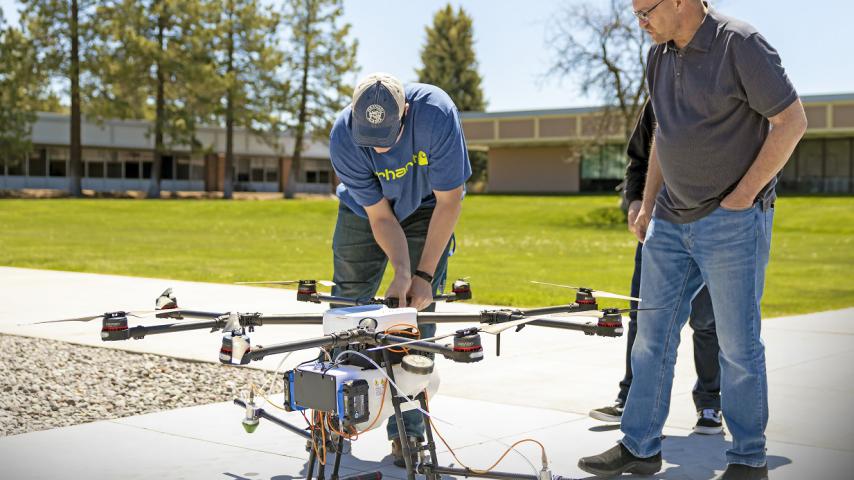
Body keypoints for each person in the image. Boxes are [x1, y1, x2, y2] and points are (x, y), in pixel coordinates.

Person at [578, 1, 806, 479]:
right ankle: (640, 447)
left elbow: (792, 122)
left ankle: (748, 458)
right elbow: (664, 132)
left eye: (645, 10)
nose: (638, 21)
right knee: (650, 340)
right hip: (669, 225)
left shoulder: (739, 44)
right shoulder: (659, 55)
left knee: (737, 346)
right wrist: (646, 200)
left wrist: (743, 197)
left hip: (732, 223)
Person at [328, 72, 471, 467]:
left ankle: (407, 433)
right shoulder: (342, 137)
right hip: (363, 212)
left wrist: (420, 276)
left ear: (406, 112)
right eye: (369, 140)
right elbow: (379, 215)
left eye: (387, 137)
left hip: (429, 206)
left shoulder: (437, 115)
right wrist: (400, 271)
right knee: (345, 307)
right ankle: (335, 420)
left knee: (415, 321)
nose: (378, 147)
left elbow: (449, 203)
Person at [589, 99, 723, 435]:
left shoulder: (721, 91)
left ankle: (710, 402)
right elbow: (638, 160)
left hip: (709, 226)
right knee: (643, 317)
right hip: (657, 227)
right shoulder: (660, 98)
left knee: (706, 320)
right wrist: (635, 202)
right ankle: (632, 399)